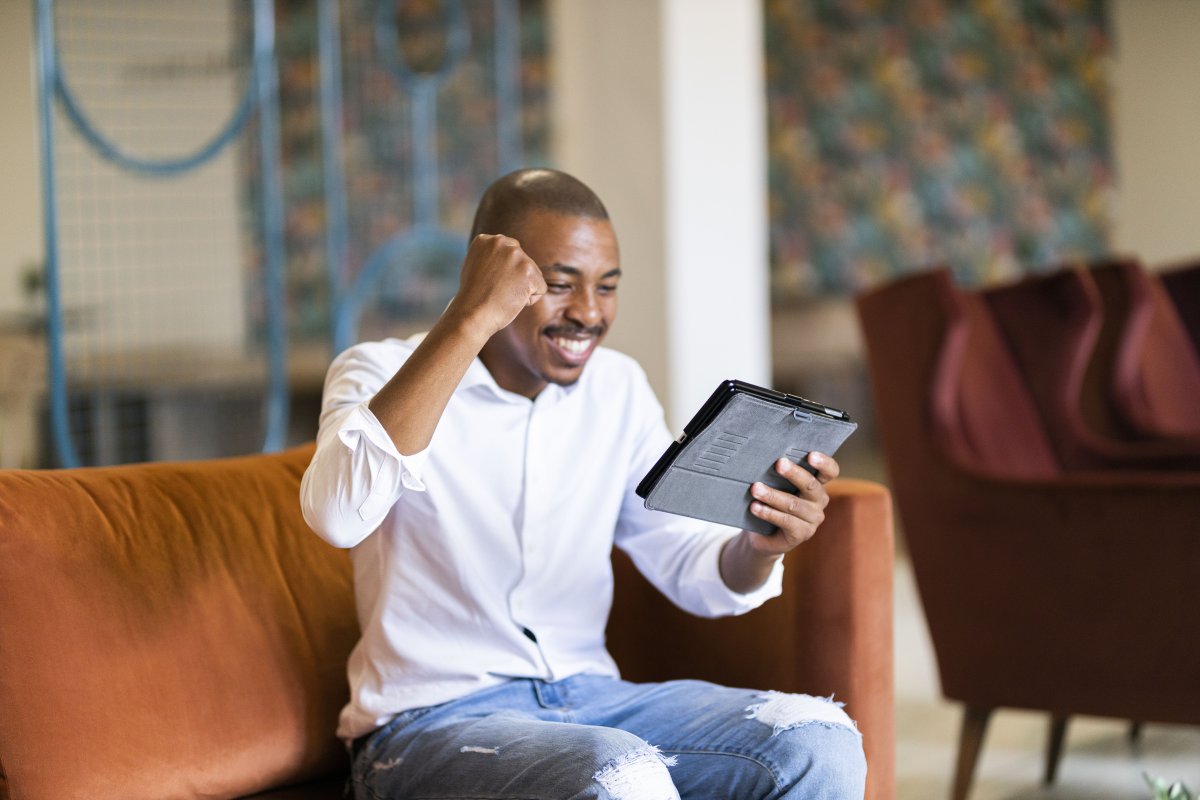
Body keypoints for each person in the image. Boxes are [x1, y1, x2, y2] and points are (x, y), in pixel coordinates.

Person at [300, 168, 866, 799]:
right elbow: (337, 515)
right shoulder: (379, 372)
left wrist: (759, 547)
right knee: (618, 775)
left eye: (607, 287)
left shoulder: (616, 389)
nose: (589, 314)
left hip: (592, 702)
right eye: (559, 284)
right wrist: (467, 319)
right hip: (430, 721)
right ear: (489, 276)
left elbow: (687, 563)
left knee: (817, 737)